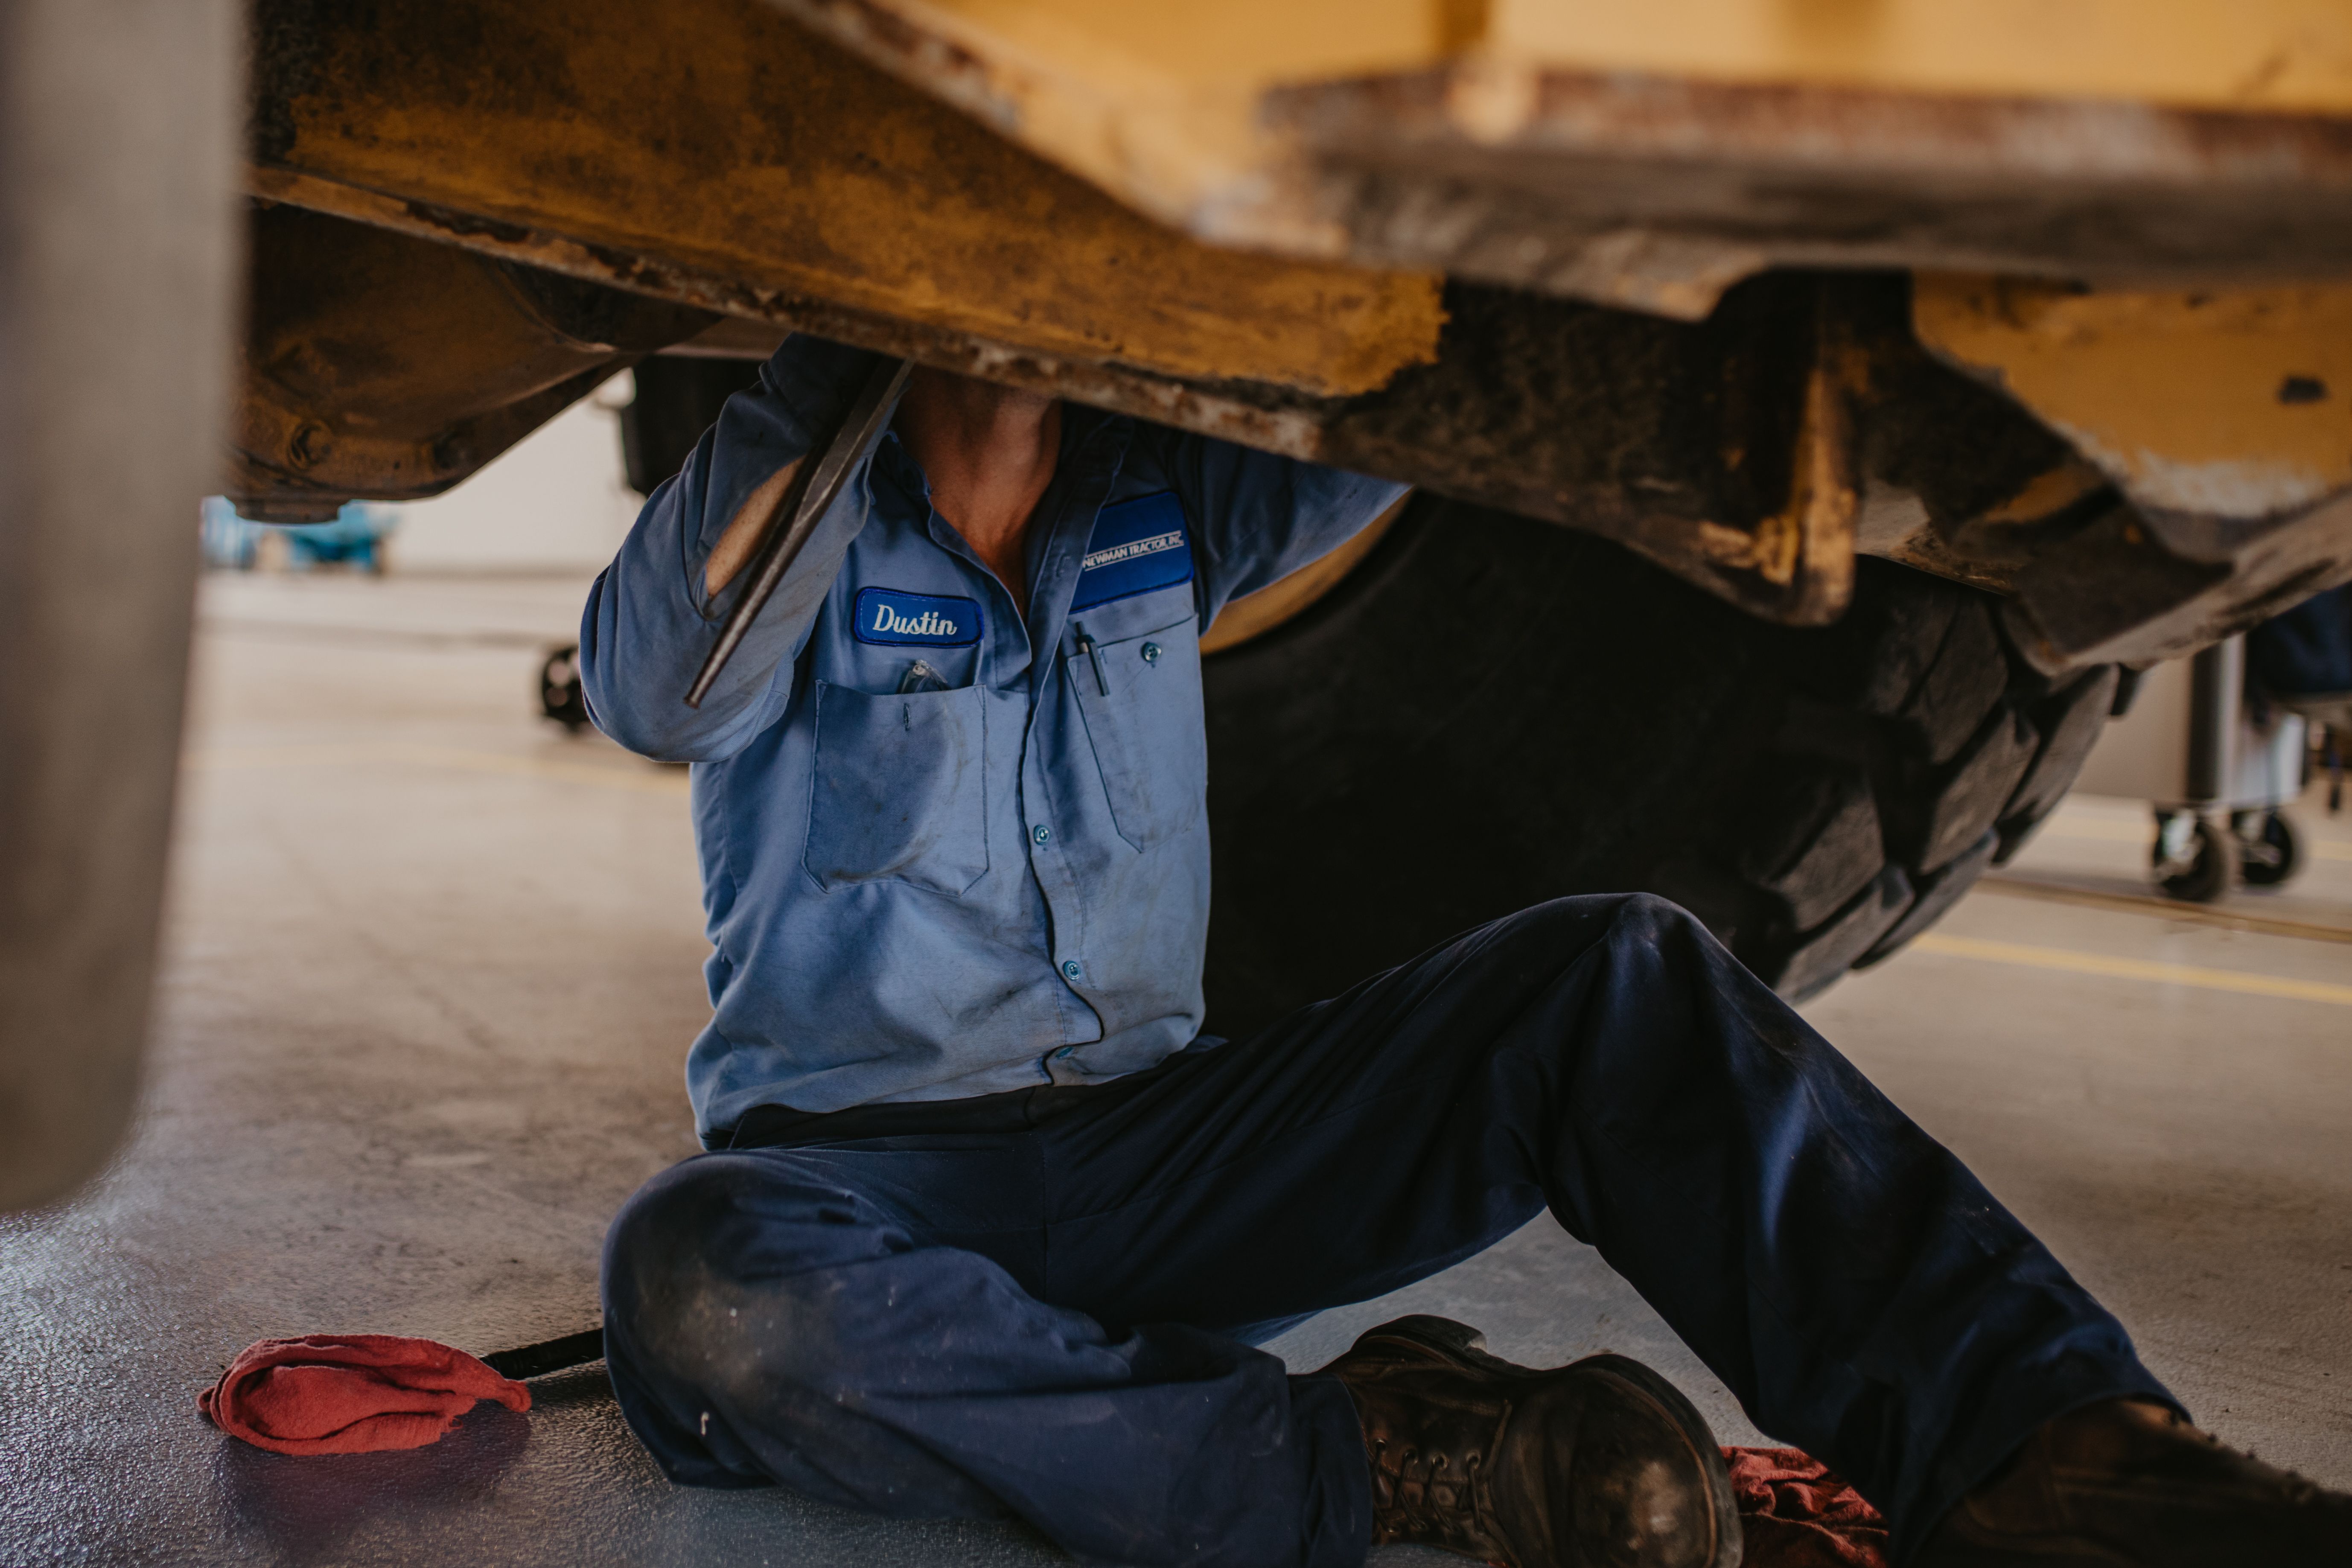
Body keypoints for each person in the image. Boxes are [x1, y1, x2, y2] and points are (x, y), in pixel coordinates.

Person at [580, 336, 2349, 1568]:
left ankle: (2047, 1456)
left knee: (1613, 977)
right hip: (865, 1189)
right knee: (693, 1281)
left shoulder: (1161, 505)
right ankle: (1386, 1450)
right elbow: (654, 690)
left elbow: (1405, 418)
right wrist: (853, 343)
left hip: (1164, 1153)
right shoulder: (797, 528)